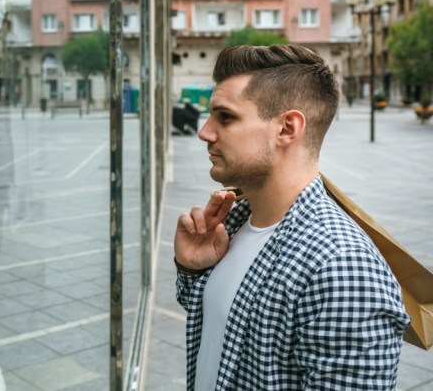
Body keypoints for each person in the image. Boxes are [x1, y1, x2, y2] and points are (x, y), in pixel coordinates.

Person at [173, 44, 410, 390]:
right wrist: (192, 270)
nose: (204, 132)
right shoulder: (234, 223)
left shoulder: (340, 266)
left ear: (287, 128)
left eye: (225, 117)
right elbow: (223, 330)